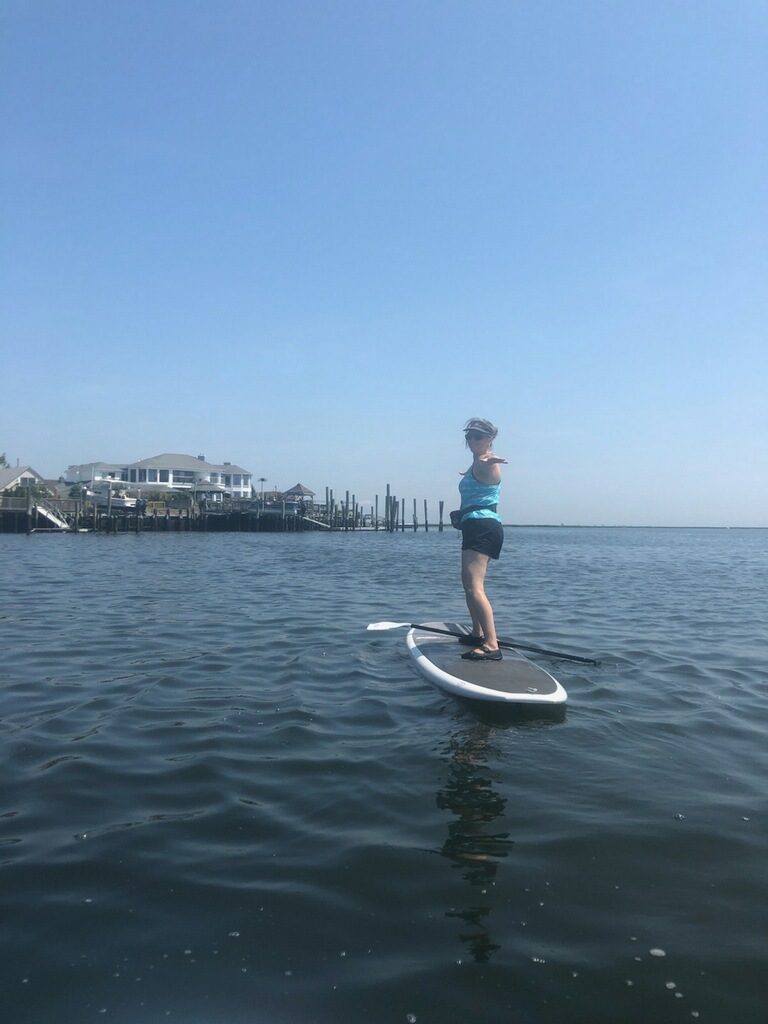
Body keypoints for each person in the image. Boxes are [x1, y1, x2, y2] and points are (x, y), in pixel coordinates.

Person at [457, 418, 506, 661]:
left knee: (475, 586)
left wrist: (490, 461)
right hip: (474, 526)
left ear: (489, 439)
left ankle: (491, 644)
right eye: (469, 436)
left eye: (478, 436)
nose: (472, 440)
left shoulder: (487, 461)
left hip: (483, 527)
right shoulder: (476, 462)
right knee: (468, 584)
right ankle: (477, 633)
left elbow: (491, 466)